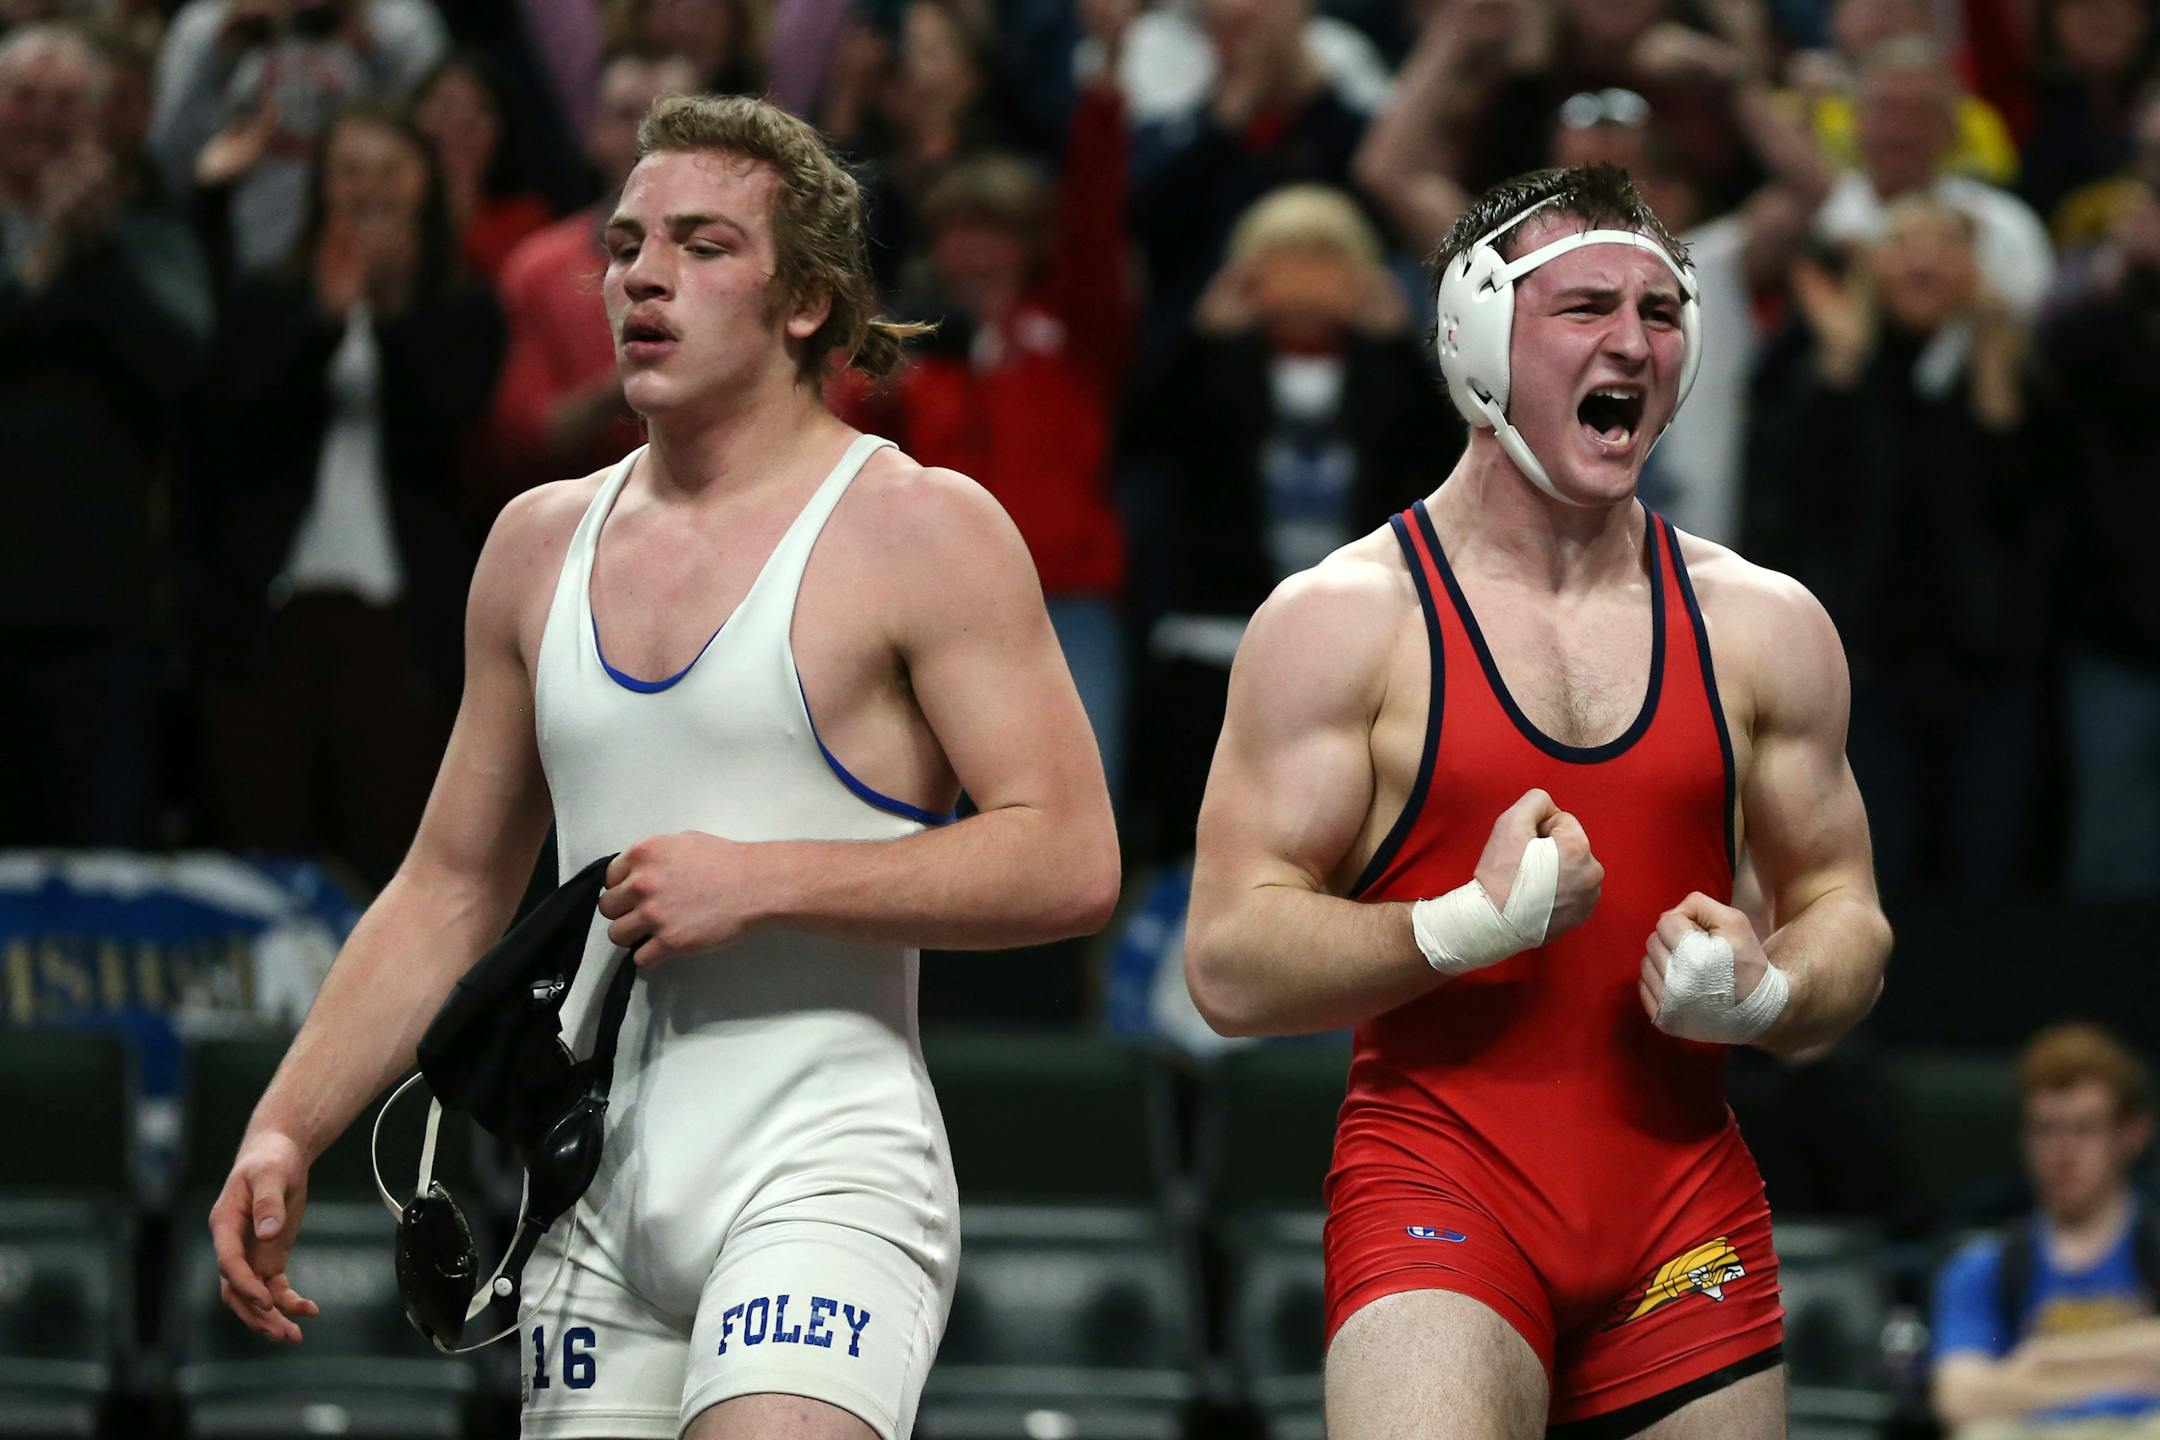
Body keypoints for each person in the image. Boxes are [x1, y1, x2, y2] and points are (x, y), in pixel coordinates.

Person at [207, 91, 1120, 1440]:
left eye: (700, 245)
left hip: (825, 1161)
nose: (641, 274)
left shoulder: (918, 529)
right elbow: (453, 883)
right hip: (593, 1186)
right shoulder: (536, 544)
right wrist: (288, 1123)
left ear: (805, 300)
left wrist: (765, 882)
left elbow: (1069, 856)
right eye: (628, 242)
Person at [1184, 162, 1892, 1436]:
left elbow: (1848, 912)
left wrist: (1771, 991)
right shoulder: (1345, 623)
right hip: (1445, 1190)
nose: (1632, 339)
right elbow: (1230, 964)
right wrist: (1461, 925)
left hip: (1682, 1202)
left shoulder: (1765, 627)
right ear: (1473, 340)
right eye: (1584, 308)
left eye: (1659, 311)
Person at [190, 101, 504, 888]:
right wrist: (323, 326)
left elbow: (444, 438)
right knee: (264, 856)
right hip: (272, 613)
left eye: (389, 173)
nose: (368, 192)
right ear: (321, 187)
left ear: (424, 188)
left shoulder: (463, 307)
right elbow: (231, 440)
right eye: (349, 172)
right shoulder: (268, 298)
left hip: (401, 619)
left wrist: (392, 316)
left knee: (390, 856)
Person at [0, 21, 210, 850]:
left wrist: (96, 253)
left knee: (105, 873)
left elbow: (185, 364)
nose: (44, 118)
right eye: (24, 97)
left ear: (100, 118)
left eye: (66, 101)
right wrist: (47, 264)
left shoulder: (152, 235)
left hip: (106, 617)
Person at [486, 46, 699, 503]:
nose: (647, 140)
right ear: (594, 133)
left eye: (671, 120)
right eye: (626, 116)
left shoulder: (736, 264)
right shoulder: (535, 269)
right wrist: (624, 388)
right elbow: (514, 446)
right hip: (574, 518)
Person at [1930, 1023, 2160, 1434]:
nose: (2062, 1152)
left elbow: (1991, 1386)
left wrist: (2044, 1361)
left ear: (2132, 1135)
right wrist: (2136, 1365)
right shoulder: (1984, 1266)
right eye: (2045, 1130)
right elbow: (1959, 1399)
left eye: (2084, 1129)